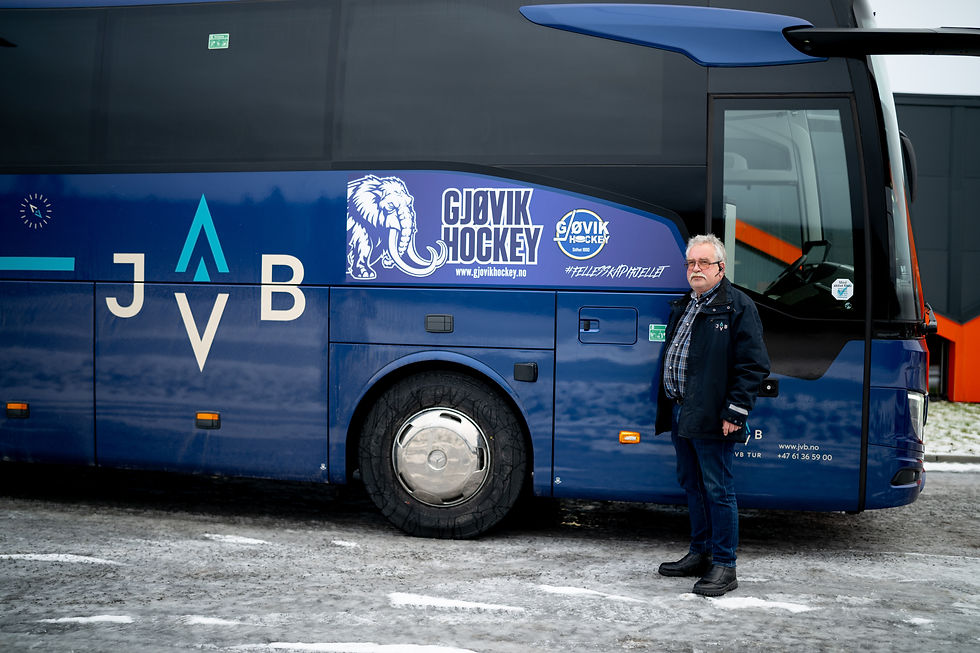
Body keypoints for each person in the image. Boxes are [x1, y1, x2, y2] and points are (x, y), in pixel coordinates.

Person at [655, 233, 770, 597]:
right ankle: (700, 553)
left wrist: (735, 412)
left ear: (721, 268)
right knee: (693, 486)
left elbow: (753, 366)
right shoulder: (687, 304)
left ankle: (725, 565)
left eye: (704, 263)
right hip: (682, 412)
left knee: (718, 490)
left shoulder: (737, 306)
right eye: (691, 263)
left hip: (713, 416)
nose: (696, 269)